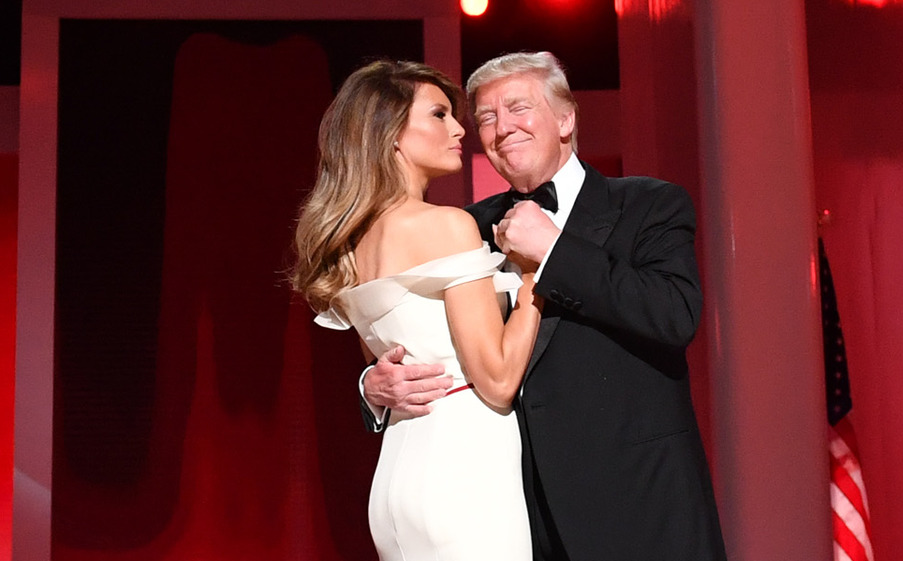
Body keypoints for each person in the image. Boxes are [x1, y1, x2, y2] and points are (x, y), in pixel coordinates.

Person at [362, 52, 728, 560]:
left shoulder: (649, 204)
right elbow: (417, 331)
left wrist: (554, 251)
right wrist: (372, 385)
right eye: (486, 118)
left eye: (518, 108)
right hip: (517, 511)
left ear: (565, 118)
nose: (500, 127)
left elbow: (674, 315)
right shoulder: (464, 225)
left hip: (640, 508)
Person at [291, 60, 542, 561]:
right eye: (439, 115)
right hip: (466, 471)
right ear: (390, 135)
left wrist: (368, 385)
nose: (458, 128)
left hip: (399, 476)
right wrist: (538, 272)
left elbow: (389, 360)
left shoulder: (353, 243)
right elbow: (496, 380)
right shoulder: (445, 226)